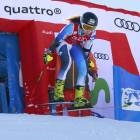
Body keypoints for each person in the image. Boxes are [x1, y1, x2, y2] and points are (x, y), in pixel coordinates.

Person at [43, 12, 98, 109]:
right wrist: (49, 52)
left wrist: (88, 60)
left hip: (75, 46)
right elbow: (58, 39)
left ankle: (79, 98)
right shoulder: (71, 27)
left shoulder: (92, 34)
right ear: (81, 23)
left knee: (84, 68)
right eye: (86, 27)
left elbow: (86, 48)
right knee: (67, 63)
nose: (89, 31)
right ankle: (58, 93)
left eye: (92, 28)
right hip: (64, 43)